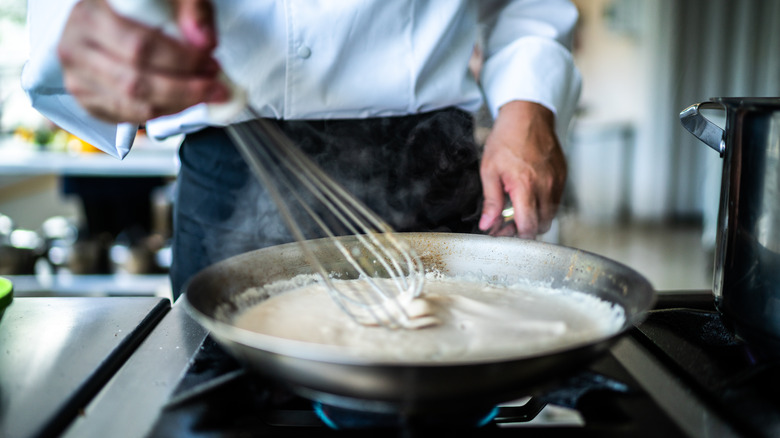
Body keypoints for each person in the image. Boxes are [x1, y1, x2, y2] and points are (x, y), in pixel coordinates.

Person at [23, 0, 581, 299]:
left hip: (431, 165)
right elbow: (83, 18)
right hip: (236, 167)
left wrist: (529, 99)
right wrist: (92, 23)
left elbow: (528, 7)